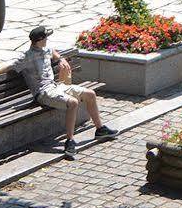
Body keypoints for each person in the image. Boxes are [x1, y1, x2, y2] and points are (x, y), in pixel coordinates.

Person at [16, 25, 117, 159]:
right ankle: (69, 141)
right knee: (73, 103)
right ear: (40, 39)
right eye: (46, 37)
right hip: (43, 93)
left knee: (90, 94)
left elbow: (53, 52)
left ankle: (100, 129)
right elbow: (11, 66)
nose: (48, 39)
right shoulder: (27, 57)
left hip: (56, 86)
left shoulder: (46, 49)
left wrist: (61, 59)